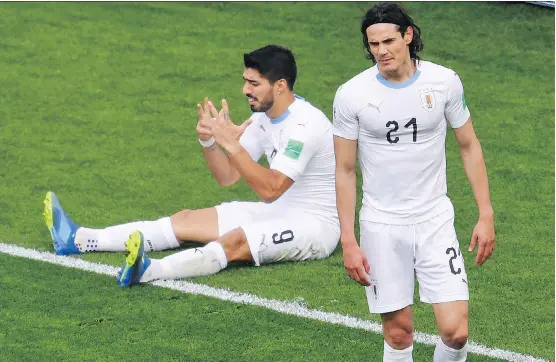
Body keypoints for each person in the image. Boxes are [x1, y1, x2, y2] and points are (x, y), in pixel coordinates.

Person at [44, 44, 339, 287]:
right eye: (245, 80)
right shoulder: (264, 117)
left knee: (235, 242)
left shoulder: (305, 125)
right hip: (278, 211)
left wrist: (233, 145)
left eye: (253, 83)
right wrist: (210, 142)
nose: (244, 90)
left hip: (313, 226)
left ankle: (149, 270)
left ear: (280, 86)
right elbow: (227, 175)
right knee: (185, 220)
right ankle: (79, 239)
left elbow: (272, 188)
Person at [332, 3, 495, 362]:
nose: (381, 51)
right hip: (382, 226)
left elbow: (469, 146)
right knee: (399, 334)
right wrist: (348, 240)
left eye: (388, 41)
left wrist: (485, 213)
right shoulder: (352, 95)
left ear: (408, 36)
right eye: (373, 44)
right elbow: (344, 170)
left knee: (456, 332)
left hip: (434, 220)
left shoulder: (444, 82)